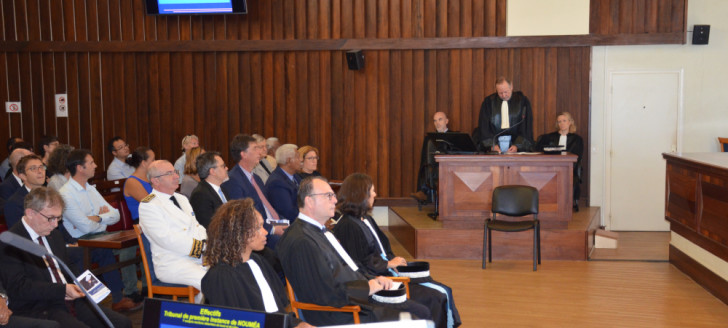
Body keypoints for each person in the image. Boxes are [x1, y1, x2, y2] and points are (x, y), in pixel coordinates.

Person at [277, 176, 431, 326]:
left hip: (355, 301)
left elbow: (350, 268)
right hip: (341, 314)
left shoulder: (321, 231)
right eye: (328, 196)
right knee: (417, 317)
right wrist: (369, 287)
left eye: (334, 195)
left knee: (421, 310)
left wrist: (374, 279)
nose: (335, 200)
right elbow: (325, 294)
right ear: (310, 201)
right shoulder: (302, 241)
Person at [334, 173, 461, 328]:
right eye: (372, 191)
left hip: (386, 271)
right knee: (435, 297)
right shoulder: (348, 226)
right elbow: (360, 264)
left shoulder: (365, 218)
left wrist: (393, 261)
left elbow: (383, 247)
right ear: (361, 194)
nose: (375, 194)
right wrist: (387, 264)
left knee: (443, 290)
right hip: (379, 280)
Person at [0, 187, 132, 327]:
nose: (55, 224)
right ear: (31, 213)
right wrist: (62, 290)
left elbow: (67, 266)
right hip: (41, 306)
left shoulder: (53, 234)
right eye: (51, 218)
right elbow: (19, 288)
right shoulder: (10, 242)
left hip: (70, 300)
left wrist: (89, 286)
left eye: (59, 218)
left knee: (122, 323)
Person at [201, 199, 313, 328]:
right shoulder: (221, 277)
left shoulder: (258, 261)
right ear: (240, 233)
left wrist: (296, 324)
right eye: (258, 227)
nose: (265, 232)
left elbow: (276, 312)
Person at [58, 149, 140, 311]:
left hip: (99, 235)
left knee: (135, 243)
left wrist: (98, 218)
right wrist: (101, 218)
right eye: (91, 163)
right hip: (80, 241)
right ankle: (93, 303)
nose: (95, 165)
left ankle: (123, 295)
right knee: (99, 253)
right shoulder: (65, 194)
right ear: (80, 168)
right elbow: (85, 226)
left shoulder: (90, 188)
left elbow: (114, 215)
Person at [138, 160, 207, 297]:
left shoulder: (181, 199)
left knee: (229, 273)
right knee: (209, 281)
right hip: (173, 263)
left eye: (175, 172)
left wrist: (209, 246)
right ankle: (204, 316)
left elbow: (197, 227)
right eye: (169, 174)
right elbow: (168, 239)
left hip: (196, 258)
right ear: (155, 181)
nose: (176, 176)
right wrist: (202, 248)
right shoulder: (149, 205)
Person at [222, 134, 285, 249]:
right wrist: (273, 229)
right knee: (292, 243)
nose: (259, 152)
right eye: (255, 149)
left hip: (272, 222)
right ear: (243, 154)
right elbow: (244, 216)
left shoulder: (257, 178)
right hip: (258, 232)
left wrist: (282, 222)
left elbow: (268, 207)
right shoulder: (233, 181)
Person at [121, 147, 156, 302]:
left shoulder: (150, 179)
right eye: (153, 160)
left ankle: (153, 285)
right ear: (143, 163)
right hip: (141, 223)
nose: (155, 163)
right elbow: (150, 203)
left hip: (152, 222)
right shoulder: (132, 181)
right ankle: (150, 286)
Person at [536, 112, 584, 210]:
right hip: (551, 167)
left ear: (570, 122)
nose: (561, 124)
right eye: (559, 122)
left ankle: (565, 204)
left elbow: (578, 157)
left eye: (564, 121)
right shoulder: (550, 137)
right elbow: (538, 147)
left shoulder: (577, 139)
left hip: (570, 169)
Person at [476, 77, 534, 153]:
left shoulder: (522, 101)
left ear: (511, 87)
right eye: (500, 93)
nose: (503, 95)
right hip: (495, 146)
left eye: (506, 92)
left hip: (516, 146)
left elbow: (526, 127)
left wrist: (518, 145)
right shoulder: (489, 102)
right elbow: (484, 127)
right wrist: (492, 145)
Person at [412, 112, 452, 203]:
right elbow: (424, 157)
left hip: (447, 166)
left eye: (440, 119)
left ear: (446, 121)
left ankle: (425, 191)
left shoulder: (453, 136)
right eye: (435, 121)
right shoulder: (429, 138)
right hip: (432, 166)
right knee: (425, 166)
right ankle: (423, 192)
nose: (437, 123)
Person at [4, 155, 48, 228]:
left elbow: (60, 227)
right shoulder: (14, 203)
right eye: (33, 168)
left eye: (41, 167)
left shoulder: (50, 195)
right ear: (22, 176)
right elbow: (19, 234)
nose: (40, 171)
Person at [189, 151, 230, 229]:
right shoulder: (200, 195)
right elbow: (209, 227)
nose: (227, 168)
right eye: (223, 166)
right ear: (212, 171)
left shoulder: (223, 190)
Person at [264, 144, 302, 222]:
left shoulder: (296, 177)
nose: (301, 160)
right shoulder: (277, 183)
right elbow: (289, 214)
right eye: (297, 157)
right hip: (289, 227)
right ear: (288, 160)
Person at [0, 148, 33, 213]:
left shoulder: (32, 181)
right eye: (30, 160)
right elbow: (11, 211)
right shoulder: (6, 186)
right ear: (19, 163)